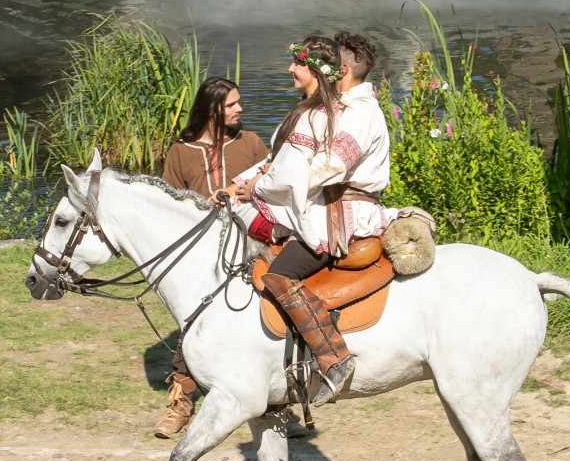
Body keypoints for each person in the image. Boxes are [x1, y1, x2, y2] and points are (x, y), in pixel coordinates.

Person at [212, 35, 394, 407]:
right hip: (316, 207)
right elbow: (280, 162)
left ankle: (333, 356)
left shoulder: (360, 112)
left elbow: (329, 166)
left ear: (342, 69)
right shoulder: (330, 108)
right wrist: (239, 186)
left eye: (299, 62)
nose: (290, 69)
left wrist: (261, 188)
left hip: (342, 216)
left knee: (280, 274)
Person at [154, 76, 309, 439]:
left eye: (239, 102)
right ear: (212, 109)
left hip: (251, 248)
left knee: (264, 321)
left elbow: (270, 187)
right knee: (193, 324)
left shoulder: (251, 143)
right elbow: (169, 206)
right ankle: (180, 402)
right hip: (199, 256)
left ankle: (277, 405)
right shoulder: (181, 152)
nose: (241, 108)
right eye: (232, 104)